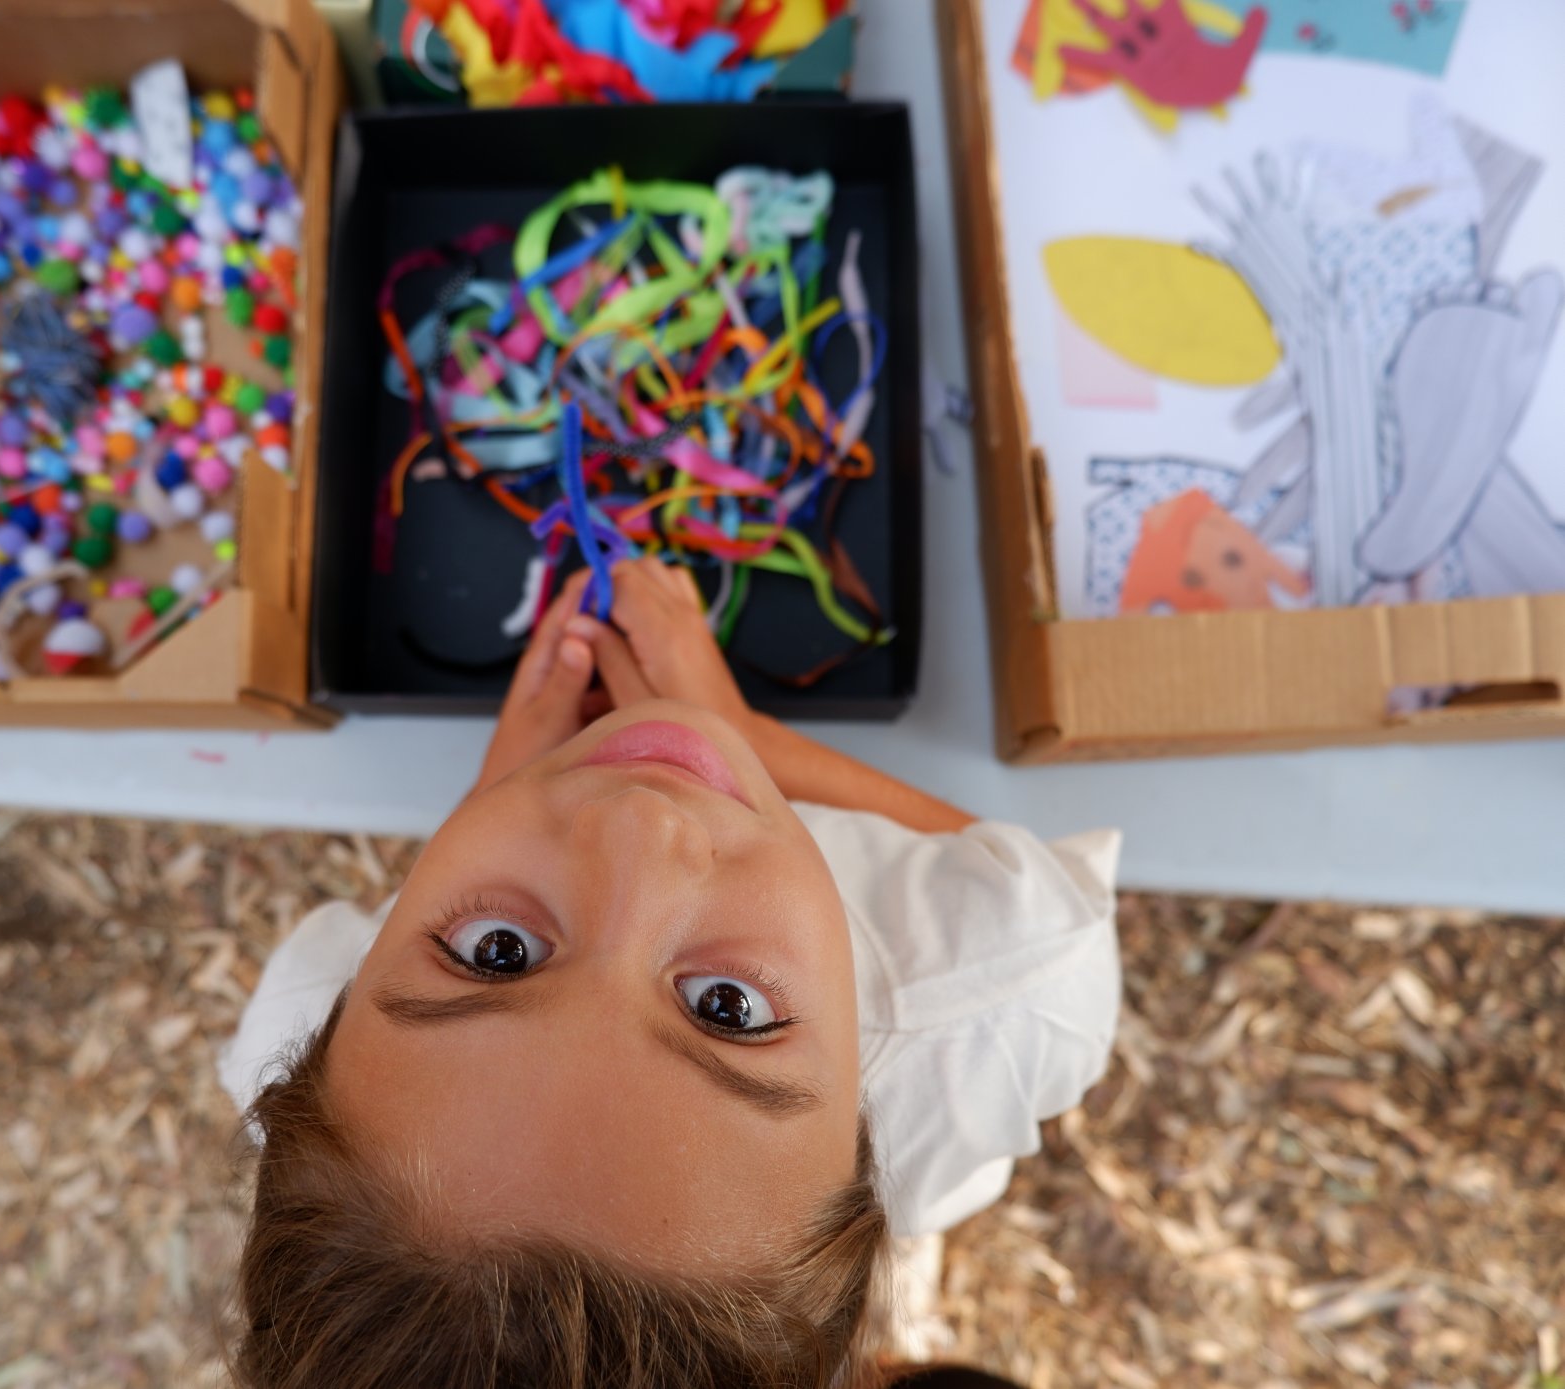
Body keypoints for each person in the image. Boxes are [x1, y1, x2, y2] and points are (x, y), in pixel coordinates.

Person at [219, 558, 1121, 1389]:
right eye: (727, 1009)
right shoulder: (1002, 981)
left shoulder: (296, 1024)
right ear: (863, 1172)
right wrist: (752, 736)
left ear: (322, 1039)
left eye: (497, 952)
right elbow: (1039, 891)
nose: (638, 826)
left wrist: (503, 787)